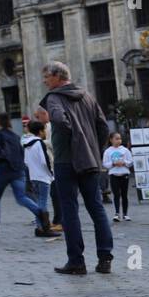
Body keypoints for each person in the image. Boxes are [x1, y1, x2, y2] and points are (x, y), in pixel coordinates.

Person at [37, 61, 112, 275]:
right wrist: (92, 148)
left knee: (70, 210)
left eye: (46, 77)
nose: (44, 81)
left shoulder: (54, 97)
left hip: (65, 161)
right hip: (89, 160)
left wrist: (74, 141)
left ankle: (76, 262)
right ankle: (105, 258)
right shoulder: (87, 96)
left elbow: (59, 121)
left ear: (57, 76)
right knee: (96, 208)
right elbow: (103, 127)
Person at [0, 113, 61, 238]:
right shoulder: (16, 136)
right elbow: (21, 154)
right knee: (21, 197)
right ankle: (40, 213)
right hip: (18, 170)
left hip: (4, 169)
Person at [22, 120, 59, 232]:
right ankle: (44, 227)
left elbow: (26, 162)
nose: (44, 133)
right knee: (43, 202)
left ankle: (39, 225)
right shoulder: (39, 143)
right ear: (40, 131)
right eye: (43, 130)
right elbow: (45, 161)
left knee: (38, 202)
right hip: (43, 176)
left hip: (33, 176)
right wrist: (51, 172)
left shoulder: (27, 144)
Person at [103, 132, 133, 223]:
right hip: (114, 175)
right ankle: (117, 213)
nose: (119, 140)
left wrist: (124, 163)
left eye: (120, 138)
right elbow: (105, 164)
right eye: (116, 139)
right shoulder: (108, 151)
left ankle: (125, 214)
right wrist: (113, 164)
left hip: (124, 174)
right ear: (111, 140)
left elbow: (130, 162)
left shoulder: (125, 150)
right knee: (116, 194)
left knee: (124, 194)